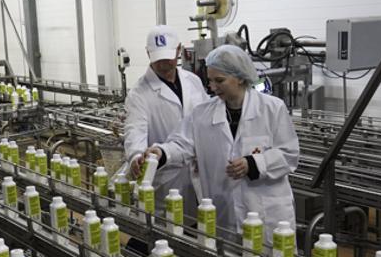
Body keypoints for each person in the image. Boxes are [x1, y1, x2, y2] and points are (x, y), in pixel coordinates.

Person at [137, 44, 299, 242]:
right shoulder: (202, 114)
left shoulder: (272, 108)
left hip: (268, 214)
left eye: (219, 80)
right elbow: (181, 144)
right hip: (225, 213)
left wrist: (254, 163)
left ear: (240, 77)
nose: (212, 87)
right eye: (210, 81)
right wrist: (161, 153)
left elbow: (289, 154)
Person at [124, 25, 209, 213]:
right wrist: (136, 156)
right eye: (158, 58)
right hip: (167, 179)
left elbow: (206, 121)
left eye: (168, 57)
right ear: (148, 53)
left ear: (179, 50)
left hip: (198, 173)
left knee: (203, 223)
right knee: (170, 226)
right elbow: (135, 130)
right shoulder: (139, 94)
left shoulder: (193, 81)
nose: (163, 63)